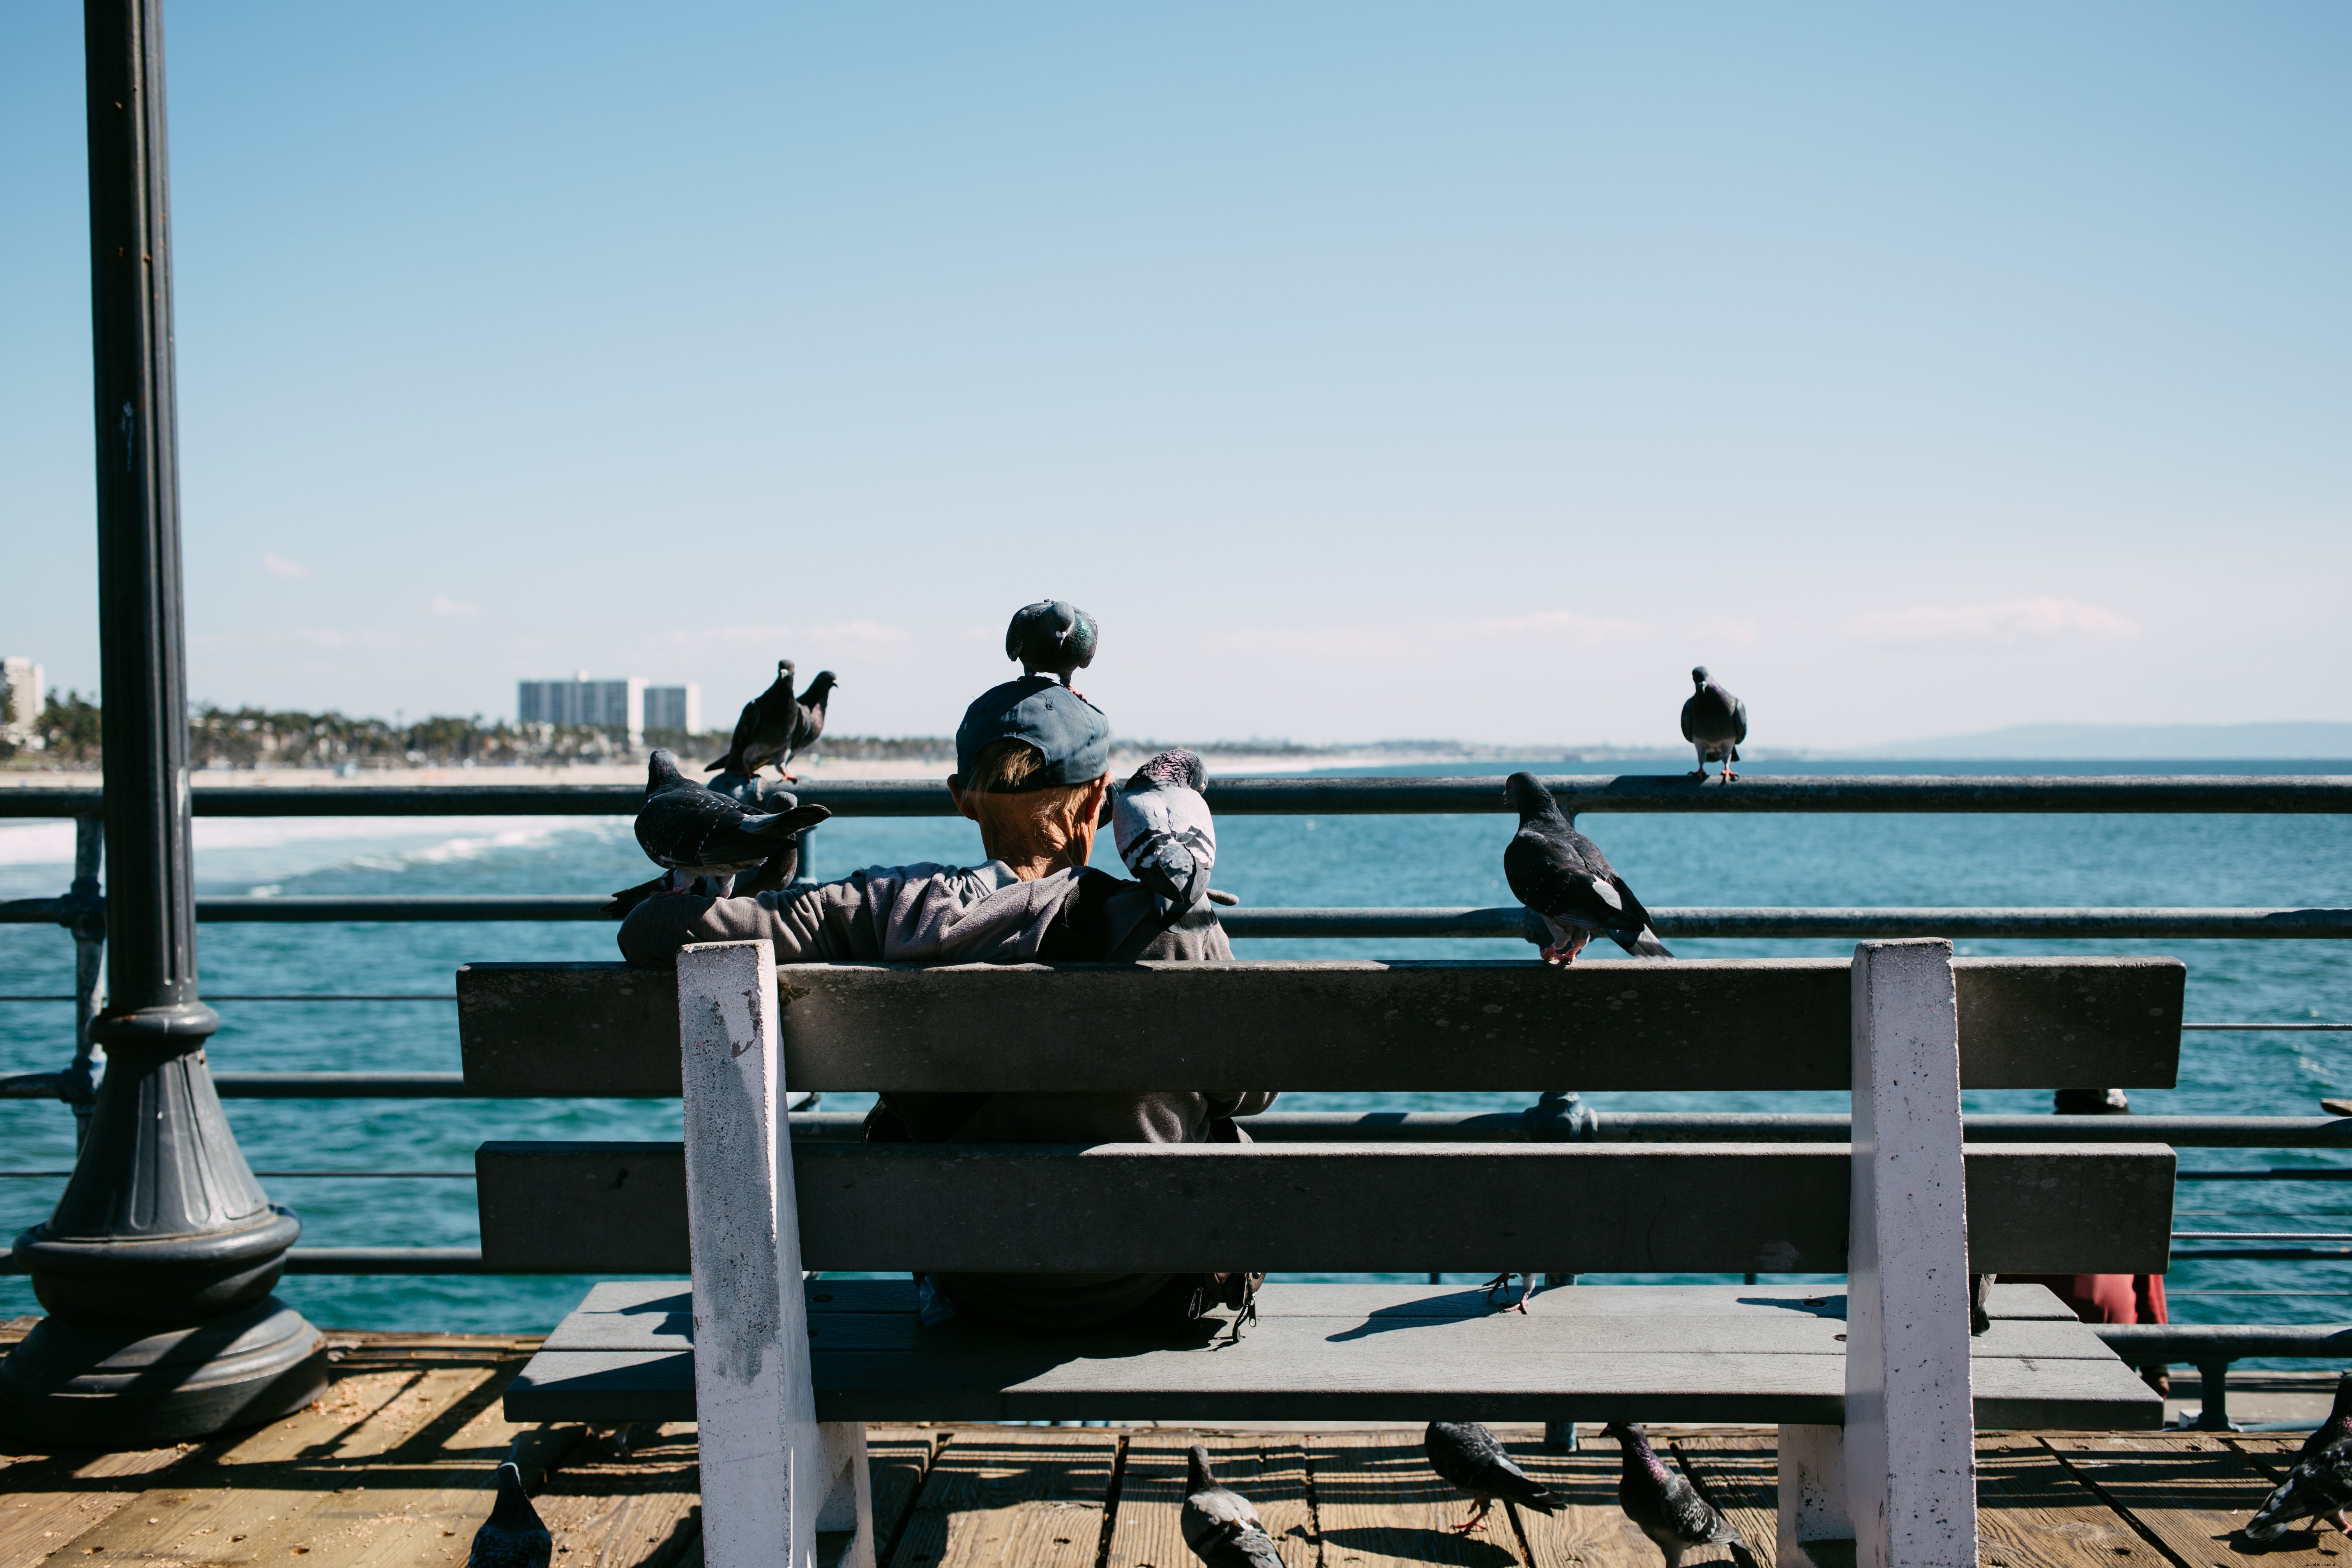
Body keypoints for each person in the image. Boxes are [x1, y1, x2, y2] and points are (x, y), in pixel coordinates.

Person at [617, 673, 1275, 1330]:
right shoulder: (1174, 928)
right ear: (1100, 800)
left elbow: (654, 930)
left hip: (974, 1288)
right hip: (1148, 1287)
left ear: (962, 799)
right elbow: (1251, 1091)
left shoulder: (881, 910)